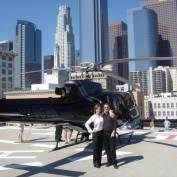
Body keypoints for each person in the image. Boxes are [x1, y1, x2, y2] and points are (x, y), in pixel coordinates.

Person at [85, 104, 104, 168]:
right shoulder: (93, 117)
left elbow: (108, 110)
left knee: (100, 148)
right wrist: (90, 130)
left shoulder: (101, 115)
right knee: (95, 148)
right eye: (97, 109)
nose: (98, 110)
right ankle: (95, 162)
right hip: (96, 133)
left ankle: (99, 161)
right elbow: (86, 124)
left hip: (101, 132)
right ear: (95, 110)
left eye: (99, 108)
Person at [103, 103, 118, 169]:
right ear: (104, 108)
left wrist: (114, 131)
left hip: (111, 133)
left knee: (112, 149)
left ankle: (114, 162)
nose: (106, 108)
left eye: (107, 107)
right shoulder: (102, 115)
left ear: (109, 108)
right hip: (104, 133)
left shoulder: (112, 114)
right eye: (105, 107)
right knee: (107, 149)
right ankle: (109, 161)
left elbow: (115, 123)